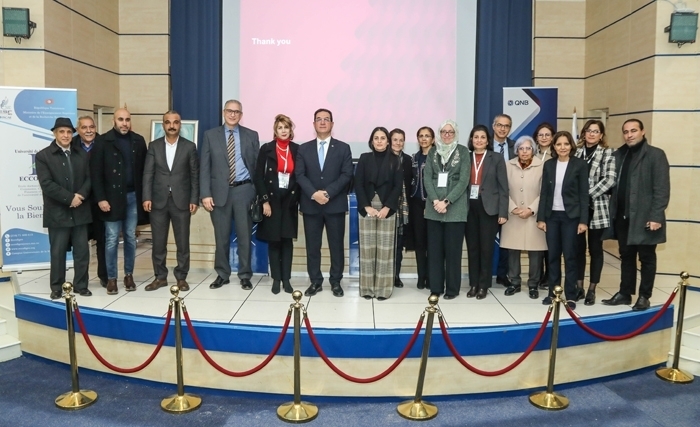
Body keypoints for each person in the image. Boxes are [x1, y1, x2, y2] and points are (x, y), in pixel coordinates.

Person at [602, 119, 670, 311]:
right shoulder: (619, 154)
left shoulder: (656, 155)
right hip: (622, 217)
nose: (629, 135)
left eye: (633, 131)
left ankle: (644, 296)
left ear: (643, 132)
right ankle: (625, 293)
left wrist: (656, 216)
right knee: (626, 256)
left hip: (646, 219)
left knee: (647, 258)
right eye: (625, 131)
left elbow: (662, 189)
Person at [200, 100, 259, 291]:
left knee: (244, 236)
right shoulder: (210, 135)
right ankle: (222, 274)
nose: (232, 114)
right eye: (229, 111)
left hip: (244, 191)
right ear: (223, 112)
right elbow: (204, 167)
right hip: (218, 193)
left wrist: (258, 193)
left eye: (236, 112)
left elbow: (257, 167)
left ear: (241, 115)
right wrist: (205, 194)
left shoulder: (251, 135)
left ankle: (244, 275)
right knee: (221, 237)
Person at [295, 109, 353, 297]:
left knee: (336, 246)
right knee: (313, 247)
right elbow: (300, 175)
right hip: (311, 205)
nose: (322, 122)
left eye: (326, 119)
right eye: (318, 119)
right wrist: (313, 193)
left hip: (334, 204)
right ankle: (315, 281)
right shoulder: (303, 148)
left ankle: (336, 281)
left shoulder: (343, 148)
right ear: (313, 124)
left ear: (332, 124)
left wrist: (327, 193)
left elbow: (346, 175)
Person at [91, 108, 148, 295]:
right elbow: (96, 174)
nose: (125, 123)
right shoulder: (102, 141)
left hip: (133, 197)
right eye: (121, 119)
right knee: (112, 240)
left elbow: (145, 173)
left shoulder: (138, 141)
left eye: (127, 119)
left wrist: (144, 197)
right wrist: (101, 198)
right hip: (111, 199)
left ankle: (129, 275)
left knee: (131, 238)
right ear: (113, 121)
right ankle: (112, 278)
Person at [142, 110, 199, 292]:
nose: (172, 125)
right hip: (158, 201)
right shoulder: (154, 146)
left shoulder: (189, 147)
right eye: (168, 122)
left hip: (182, 201)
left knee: (183, 243)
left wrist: (194, 198)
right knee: (158, 243)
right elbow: (148, 173)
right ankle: (160, 277)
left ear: (180, 125)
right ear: (163, 124)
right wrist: (146, 197)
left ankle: (181, 277)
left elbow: (194, 175)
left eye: (175, 122)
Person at [37, 118, 93, 299]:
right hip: (58, 213)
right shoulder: (43, 156)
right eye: (62, 132)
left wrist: (81, 196)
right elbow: (46, 184)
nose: (66, 135)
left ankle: (81, 285)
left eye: (69, 132)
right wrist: (70, 198)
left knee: (82, 252)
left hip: (80, 211)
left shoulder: (81, 154)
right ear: (55, 134)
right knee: (58, 252)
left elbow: (89, 179)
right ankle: (56, 287)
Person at [537, 131, 589, 309]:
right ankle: (553, 292)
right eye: (559, 144)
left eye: (566, 144)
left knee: (570, 256)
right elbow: (544, 193)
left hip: (571, 217)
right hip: (552, 217)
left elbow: (584, 194)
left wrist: (583, 221)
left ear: (571, 146)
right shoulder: (549, 165)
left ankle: (571, 295)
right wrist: (541, 218)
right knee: (552, 256)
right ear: (554, 146)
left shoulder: (580, 165)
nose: (562, 147)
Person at [253, 114, 300, 295]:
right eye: (280, 128)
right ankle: (276, 279)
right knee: (274, 242)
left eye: (286, 128)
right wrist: (265, 200)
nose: (283, 131)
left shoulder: (297, 149)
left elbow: (300, 175)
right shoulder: (266, 149)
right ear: (275, 130)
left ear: (290, 130)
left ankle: (286, 280)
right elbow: (258, 176)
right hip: (271, 202)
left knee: (287, 242)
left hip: (289, 201)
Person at [354, 127, 403, 300]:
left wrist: (387, 207)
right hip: (366, 207)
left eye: (383, 138)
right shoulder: (364, 158)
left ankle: (383, 290)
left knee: (385, 250)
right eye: (376, 138)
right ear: (372, 141)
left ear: (388, 141)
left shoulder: (395, 160)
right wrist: (367, 206)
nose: (380, 141)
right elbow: (358, 184)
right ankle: (367, 289)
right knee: (367, 249)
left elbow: (398, 186)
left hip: (386, 209)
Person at [424, 120, 470, 299]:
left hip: (455, 210)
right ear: (439, 133)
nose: (447, 135)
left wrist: (447, 201)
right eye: (444, 131)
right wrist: (436, 200)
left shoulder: (463, 152)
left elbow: (463, 180)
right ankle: (435, 287)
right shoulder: (433, 152)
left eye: (450, 132)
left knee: (453, 252)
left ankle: (452, 289)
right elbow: (427, 177)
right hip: (433, 209)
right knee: (434, 251)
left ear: (456, 133)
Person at [573, 119, 616, 306]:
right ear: (583, 133)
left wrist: (586, 195)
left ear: (601, 135)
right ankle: (579, 286)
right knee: (578, 250)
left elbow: (610, 179)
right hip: (577, 210)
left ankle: (592, 289)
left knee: (596, 250)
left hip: (597, 208)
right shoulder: (576, 152)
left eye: (596, 131)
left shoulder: (608, 153)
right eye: (588, 131)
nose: (591, 134)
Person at [464, 124, 508, 300]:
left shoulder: (496, 158)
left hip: (489, 209)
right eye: (476, 137)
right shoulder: (466, 158)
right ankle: (473, 283)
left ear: (487, 140)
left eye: (482, 137)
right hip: (468, 208)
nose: (479, 140)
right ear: (471, 140)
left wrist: (503, 212)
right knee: (472, 248)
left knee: (486, 248)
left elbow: (504, 187)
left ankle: (484, 285)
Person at [500, 136, 546, 299]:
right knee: (513, 250)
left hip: (533, 215)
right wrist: (513, 208)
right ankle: (514, 282)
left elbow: (544, 192)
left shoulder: (542, 165)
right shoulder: (508, 165)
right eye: (521, 148)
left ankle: (533, 284)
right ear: (516, 150)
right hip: (513, 214)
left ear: (533, 150)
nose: (524, 151)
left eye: (528, 148)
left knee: (535, 252)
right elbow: (503, 189)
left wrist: (531, 209)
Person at [71, 115, 107, 288]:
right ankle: (81, 280)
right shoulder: (70, 145)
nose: (88, 130)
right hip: (79, 202)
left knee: (103, 241)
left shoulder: (104, 143)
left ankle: (105, 276)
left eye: (91, 127)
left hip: (101, 201)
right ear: (78, 130)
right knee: (80, 244)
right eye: (84, 127)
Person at [408, 126, 435, 290]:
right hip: (416, 204)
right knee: (419, 242)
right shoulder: (414, 158)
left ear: (433, 139)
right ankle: (421, 276)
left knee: (432, 243)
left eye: (427, 136)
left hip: (433, 204)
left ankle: (432, 277)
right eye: (421, 136)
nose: (424, 139)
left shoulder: (438, 157)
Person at [491, 114, 515, 286]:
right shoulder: (484, 145)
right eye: (499, 125)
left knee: (507, 239)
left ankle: (503, 274)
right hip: (489, 198)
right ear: (493, 126)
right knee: (487, 239)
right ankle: (484, 274)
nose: (502, 128)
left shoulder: (516, 147)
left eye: (506, 126)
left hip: (511, 197)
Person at [533, 122, 556, 290]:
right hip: (534, 201)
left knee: (549, 243)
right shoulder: (531, 154)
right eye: (541, 135)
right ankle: (538, 275)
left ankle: (550, 276)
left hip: (551, 203)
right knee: (537, 242)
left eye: (547, 135)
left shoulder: (556, 156)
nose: (544, 137)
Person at [389, 128, 413, 289]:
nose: (398, 143)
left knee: (398, 244)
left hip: (403, 208)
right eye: (395, 139)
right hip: (386, 206)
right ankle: (385, 274)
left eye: (401, 140)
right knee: (386, 244)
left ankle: (396, 275)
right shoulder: (384, 158)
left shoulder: (408, 160)